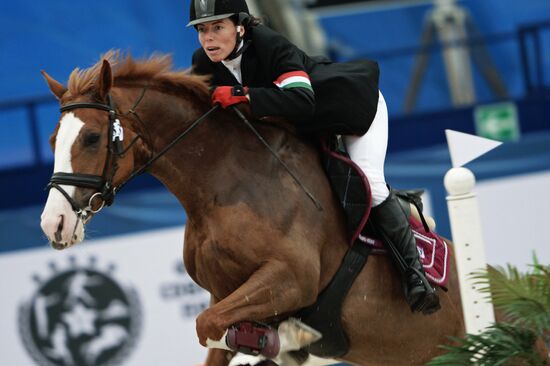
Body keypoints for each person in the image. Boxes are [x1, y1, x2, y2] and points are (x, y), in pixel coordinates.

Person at [188, 0, 440, 314]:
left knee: (370, 184)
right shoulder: (203, 62)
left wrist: (244, 95)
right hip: (305, 129)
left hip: (353, 110)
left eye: (217, 27)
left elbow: (301, 100)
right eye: (201, 30)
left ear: (240, 26)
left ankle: (416, 277)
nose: (208, 38)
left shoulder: (269, 44)